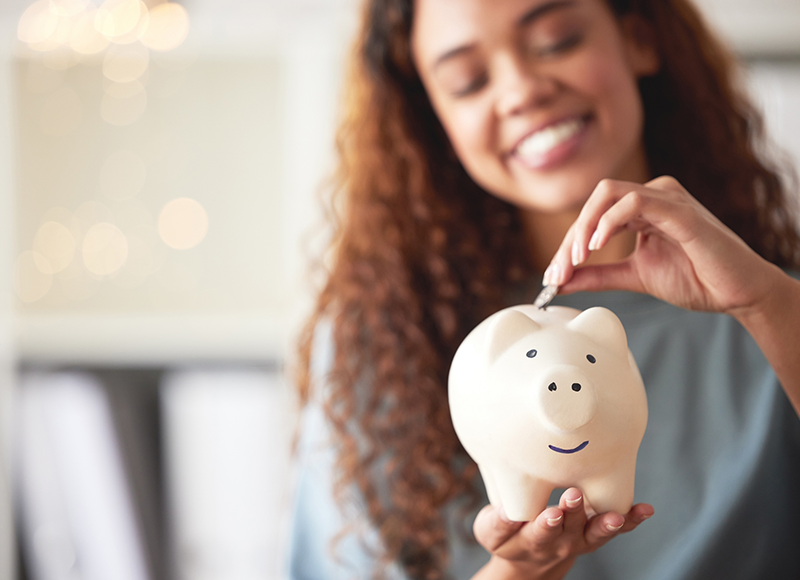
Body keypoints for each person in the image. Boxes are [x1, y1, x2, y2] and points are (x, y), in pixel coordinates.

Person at [287, 0, 800, 578]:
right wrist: (518, 572)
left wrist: (767, 301)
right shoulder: (378, 347)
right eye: (467, 81)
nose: (521, 90)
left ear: (639, 40)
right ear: (434, 120)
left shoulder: (776, 309)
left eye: (556, 41)